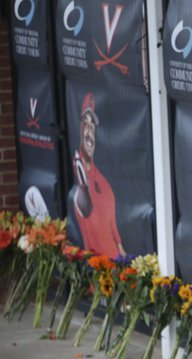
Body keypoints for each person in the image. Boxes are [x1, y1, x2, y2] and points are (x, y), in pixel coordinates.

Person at [69, 92, 125, 258]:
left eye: (92, 126)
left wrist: (122, 253)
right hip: (98, 275)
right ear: (80, 129)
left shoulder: (103, 181)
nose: (89, 132)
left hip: (117, 273)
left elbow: (112, 224)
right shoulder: (78, 170)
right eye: (85, 125)